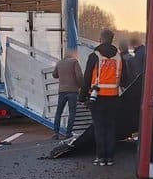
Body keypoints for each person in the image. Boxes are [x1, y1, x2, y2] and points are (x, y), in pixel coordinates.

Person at [80, 29, 124, 166]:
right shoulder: (118, 57)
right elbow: (125, 77)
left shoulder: (94, 56)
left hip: (97, 97)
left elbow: (87, 77)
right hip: (114, 97)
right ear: (112, 39)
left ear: (100, 39)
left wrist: (82, 97)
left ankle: (101, 157)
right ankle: (110, 158)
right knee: (110, 127)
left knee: (99, 128)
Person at [52, 48, 83, 139]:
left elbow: (54, 75)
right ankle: (68, 133)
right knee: (72, 112)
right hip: (73, 91)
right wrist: (81, 86)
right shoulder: (74, 62)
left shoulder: (59, 62)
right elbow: (79, 76)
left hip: (62, 91)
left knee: (59, 112)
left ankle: (55, 133)